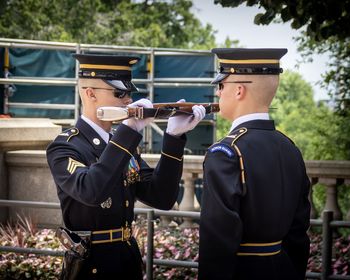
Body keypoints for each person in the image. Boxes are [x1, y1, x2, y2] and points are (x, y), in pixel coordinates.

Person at [46, 53, 205, 279]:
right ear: (90, 93)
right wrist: (128, 132)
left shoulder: (121, 144)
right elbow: (92, 190)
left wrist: (173, 138)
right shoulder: (65, 147)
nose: (128, 100)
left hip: (127, 257)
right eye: (119, 93)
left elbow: (162, 197)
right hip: (92, 265)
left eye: (129, 93)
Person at [198, 48, 311, 280]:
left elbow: (217, 242)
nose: (218, 93)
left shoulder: (225, 152)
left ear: (239, 90)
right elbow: (299, 234)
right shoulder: (289, 148)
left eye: (221, 86)